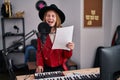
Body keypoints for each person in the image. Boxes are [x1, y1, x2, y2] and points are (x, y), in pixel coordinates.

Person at [36, 4, 75, 73]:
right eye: (48, 15)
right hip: (46, 68)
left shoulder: (63, 33)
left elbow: (67, 56)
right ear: (45, 18)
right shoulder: (41, 34)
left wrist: (70, 49)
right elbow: (39, 52)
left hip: (60, 68)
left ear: (57, 19)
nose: (50, 18)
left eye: (53, 16)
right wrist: (39, 64)